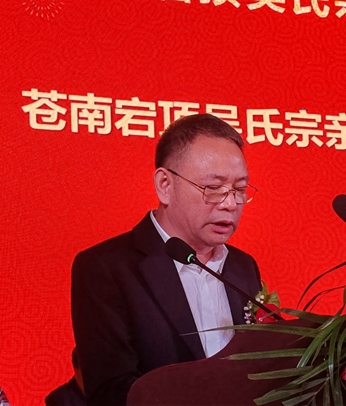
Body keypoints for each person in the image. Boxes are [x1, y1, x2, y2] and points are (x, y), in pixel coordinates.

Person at [71, 114, 262, 406]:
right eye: (213, 188)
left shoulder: (243, 267)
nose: (229, 203)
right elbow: (111, 392)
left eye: (238, 190)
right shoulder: (106, 268)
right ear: (165, 185)